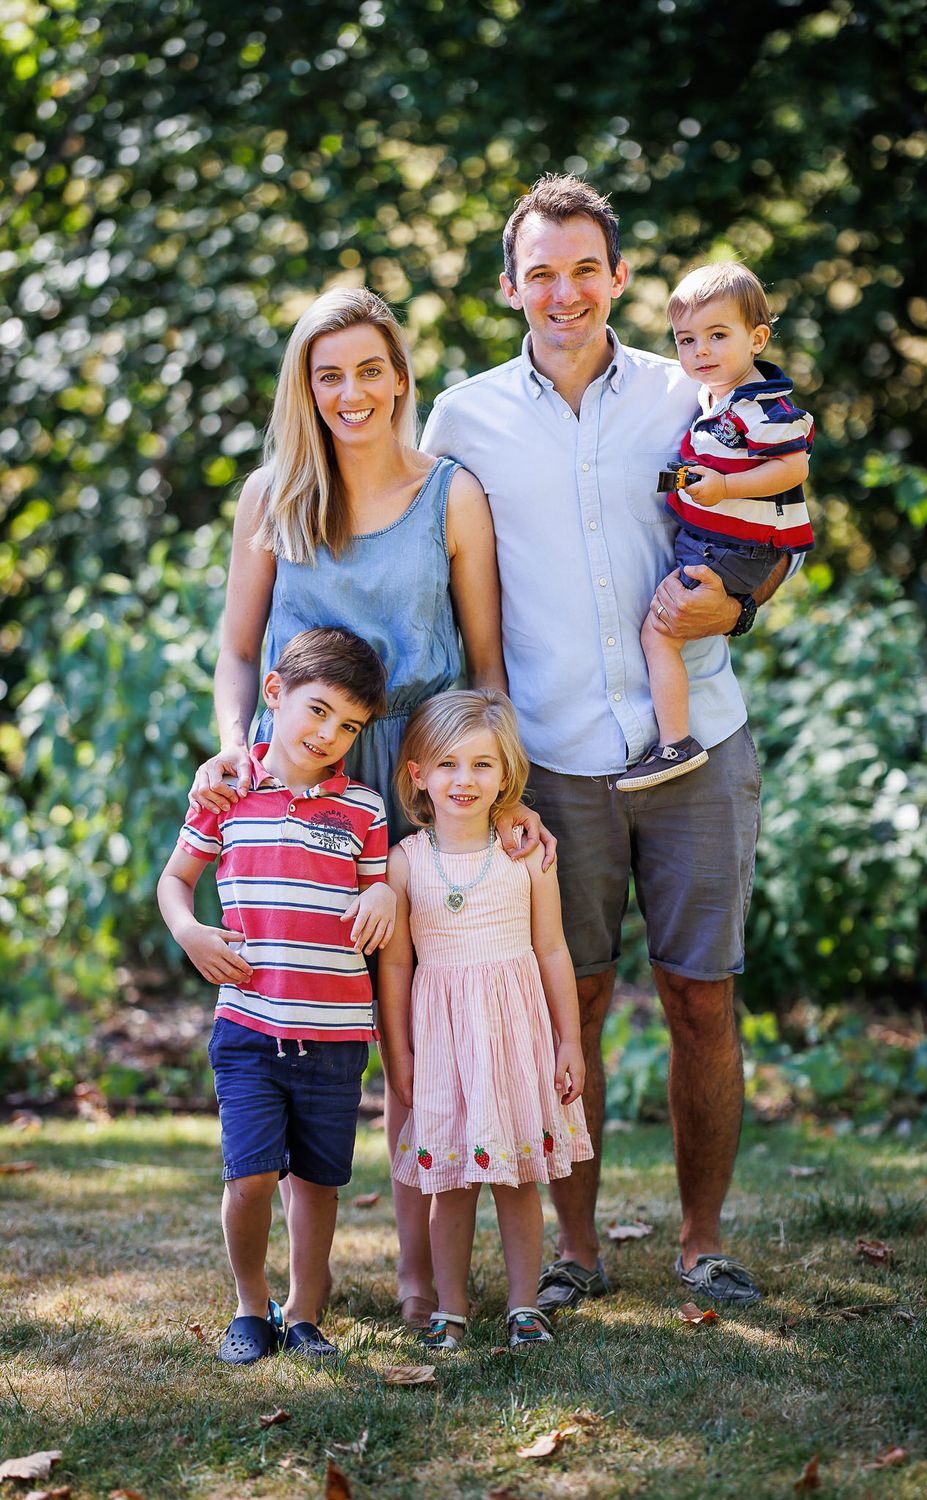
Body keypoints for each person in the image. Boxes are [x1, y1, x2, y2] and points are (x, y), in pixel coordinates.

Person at [421, 175, 803, 1308]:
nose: (565, 291)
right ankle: (576, 1252)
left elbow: (771, 529)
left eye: (585, 267)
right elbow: (431, 571)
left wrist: (740, 604)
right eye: (541, 271)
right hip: (548, 761)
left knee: (701, 997)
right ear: (509, 286)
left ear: (619, 277)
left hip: (697, 740)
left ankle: (700, 1242)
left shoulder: (692, 390)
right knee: (567, 1003)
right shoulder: (462, 419)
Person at [188, 286, 551, 1331]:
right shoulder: (273, 497)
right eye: (327, 375)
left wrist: (504, 793)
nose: (350, 392)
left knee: (423, 1029)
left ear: (399, 379)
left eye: (368, 371)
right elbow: (238, 651)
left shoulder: (451, 496)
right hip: (306, 788)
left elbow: (484, 664)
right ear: (305, 388)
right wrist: (235, 743)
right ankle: (340, 1279)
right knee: (327, 1019)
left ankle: (422, 1279)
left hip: (431, 787)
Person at [157, 626, 395, 1365]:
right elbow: (174, 881)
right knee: (252, 1176)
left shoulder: (365, 809)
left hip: (336, 1034)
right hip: (250, 1026)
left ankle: (305, 1312)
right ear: (274, 694)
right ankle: (250, 1305)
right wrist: (191, 933)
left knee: (319, 1182)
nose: (329, 734)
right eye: (317, 710)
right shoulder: (227, 794)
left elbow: (376, 887)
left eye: (349, 726)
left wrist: (384, 892)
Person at [378, 690, 592, 1351]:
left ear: (506, 775)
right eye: (447, 764)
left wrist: (569, 1040)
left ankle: (524, 1306)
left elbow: (552, 949)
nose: (463, 779)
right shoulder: (406, 863)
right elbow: (395, 966)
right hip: (443, 1040)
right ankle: (451, 1309)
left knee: (518, 1176)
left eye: (481, 764)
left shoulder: (525, 856)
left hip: (513, 1037)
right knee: (451, 1181)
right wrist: (398, 1054)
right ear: (418, 774)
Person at [616, 261, 814, 792]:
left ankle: (676, 743)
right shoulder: (713, 396)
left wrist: (725, 487)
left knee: (658, 632)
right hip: (714, 539)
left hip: (736, 546)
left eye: (718, 336)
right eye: (686, 340)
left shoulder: (760, 406)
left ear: (757, 339)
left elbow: (794, 468)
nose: (700, 351)